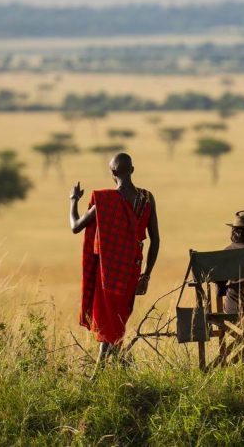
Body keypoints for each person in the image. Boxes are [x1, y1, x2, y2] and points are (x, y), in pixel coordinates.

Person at [69, 152, 160, 363]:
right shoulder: (147, 198)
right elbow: (155, 240)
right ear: (132, 170)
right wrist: (146, 275)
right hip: (132, 268)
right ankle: (119, 362)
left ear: (112, 173)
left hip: (109, 270)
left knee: (112, 317)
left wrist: (73, 200)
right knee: (117, 317)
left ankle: (104, 368)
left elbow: (75, 226)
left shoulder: (104, 201)